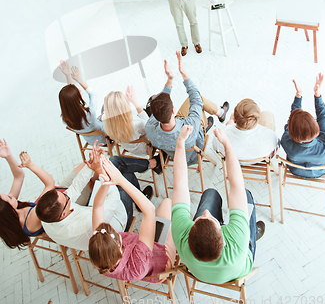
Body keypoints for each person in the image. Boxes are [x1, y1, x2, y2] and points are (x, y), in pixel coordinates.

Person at [171, 125, 265, 284]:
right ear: (223, 234)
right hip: (239, 264)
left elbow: (179, 184)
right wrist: (227, 144)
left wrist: (180, 143)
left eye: (200, 219)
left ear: (190, 233)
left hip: (200, 273)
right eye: (212, 220)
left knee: (210, 194)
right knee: (246, 195)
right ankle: (252, 235)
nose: (206, 213)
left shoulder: (180, 235)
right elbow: (237, 186)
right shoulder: (237, 239)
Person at [35, 144, 156, 251]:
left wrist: (92, 164)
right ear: (63, 215)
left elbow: (75, 188)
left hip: (95, 209)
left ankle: (149, 169)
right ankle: (142, 198)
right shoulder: (86, 225)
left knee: (114, 164)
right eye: (66, 198)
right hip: (116, 222)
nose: (67, 194)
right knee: (124, 173)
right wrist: (102, 172)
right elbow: (113, 199)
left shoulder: (47, 218)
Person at [88, 156, 176, 283]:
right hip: (162, 261)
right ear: (119, 246)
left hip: (144, 248)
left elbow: (97, 207)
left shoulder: (101, 254)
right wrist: (120, 180)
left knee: (164, 209)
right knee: (169, 205)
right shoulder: (137, 262)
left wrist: (105, 179)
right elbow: (149, 210)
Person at [145, 51, 229, 166]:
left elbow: (161, 107)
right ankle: (219, 114)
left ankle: (220, 113)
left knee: (195, 103)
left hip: (176, 157)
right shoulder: (190, 125)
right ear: (173, 110)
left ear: (154, 115)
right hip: (194, 154)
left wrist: (170, 80)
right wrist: (183, 73)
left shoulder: (150, 129)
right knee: (198, 102)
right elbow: (196, 98)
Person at [0, 139, 55, 249]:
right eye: (10, 197)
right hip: (63, 211)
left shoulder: (13, 215)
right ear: (9, 210)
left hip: (56, 202)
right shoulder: (31, 219)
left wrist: (8, 156)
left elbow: (18, 177)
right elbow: (50, 184)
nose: (12, 195)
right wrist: (30, 165)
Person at [280, 74, 325, 178]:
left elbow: (291, 122)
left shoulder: (286, 142)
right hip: (320, 171)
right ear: (316, 129)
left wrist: (298, 95)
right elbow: (322, 117)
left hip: (295, 170)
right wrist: (317, 95)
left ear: (291, 131)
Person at [213, 99, 279, 164]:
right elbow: (274, 147)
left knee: (232, 114)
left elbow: (215, 148)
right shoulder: (270, 136)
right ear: (256, 121)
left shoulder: (220, 137)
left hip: (235, 162)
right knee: (267, 114)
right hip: (260, 159)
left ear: (234, 119)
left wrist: (228, 126)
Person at [59, 60, 106, 145]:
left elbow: (69, 98)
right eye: (78, 91)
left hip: (91, 141)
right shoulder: (90, 113)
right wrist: (78, 79)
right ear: (77, 99)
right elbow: (93, 94)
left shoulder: (66, 118)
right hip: (104, 138)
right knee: (107, 104)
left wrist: (68, 75)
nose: (80, 90)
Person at [103, 86, 149, 156]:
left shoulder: (105, 119)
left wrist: (127, 101)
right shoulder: (137, 123)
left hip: (126, 146)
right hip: (145, 149)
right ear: (125, 106)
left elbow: (118, 115)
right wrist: (135, 101)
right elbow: (150, 127)